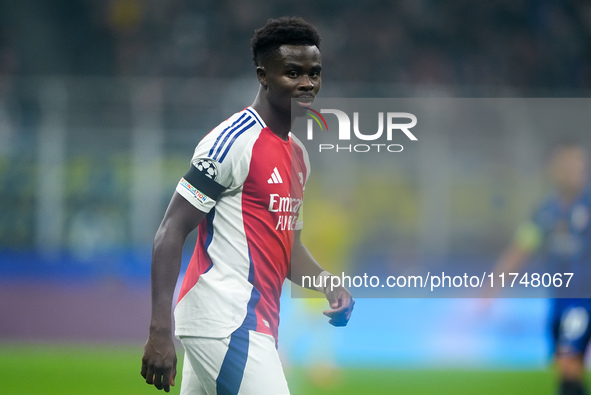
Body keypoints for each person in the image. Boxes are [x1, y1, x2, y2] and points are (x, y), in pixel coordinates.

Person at [140, 17, 354, 395]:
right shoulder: (232, 141)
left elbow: (289, 248)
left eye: (314, 73)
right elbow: (170, 230)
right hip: (225, 321)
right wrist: (159, 330)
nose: (307, 84)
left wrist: (327, 283)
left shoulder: (299, 157)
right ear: (263, 76)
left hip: (254, 324)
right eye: (292, 73)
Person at [490, 142, 591, 395]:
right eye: (568, 164)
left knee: (568, 365)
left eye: (578, 164)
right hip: (558, 302)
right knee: (565, 369)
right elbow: (521, 248)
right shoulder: (546, 211)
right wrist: (493, 286)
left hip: (584, 302)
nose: (574, 170)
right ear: (555, 169)